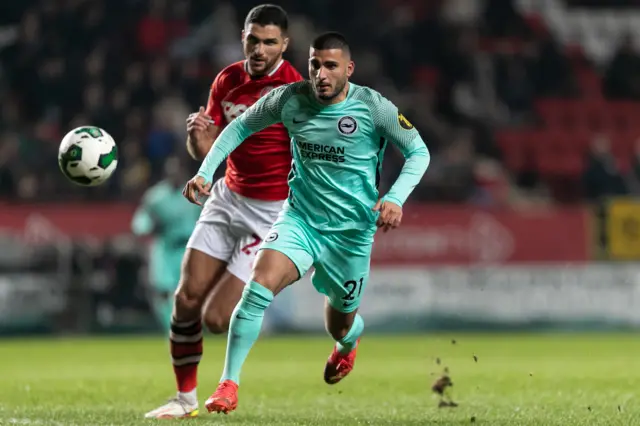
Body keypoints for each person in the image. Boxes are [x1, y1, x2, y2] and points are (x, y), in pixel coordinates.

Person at [183, 32, 431, 414]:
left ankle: (348, 343)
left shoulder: (373, 107)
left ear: (348, 69)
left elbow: (418, 152)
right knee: (257, 287)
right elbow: (238, 128)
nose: (321, 74)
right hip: (300, 219)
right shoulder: (289, 99)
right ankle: (227, 385)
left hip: (350, 234)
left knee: (340, 324)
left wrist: (395, 198)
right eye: (315, 64)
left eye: (331, 66)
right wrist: (205, 171)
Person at [144, 4, 303, 419]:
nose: (260, 48)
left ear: (284, 45)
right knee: (185, 298)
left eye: (270, 41)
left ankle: (270, 285)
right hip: (226, 197)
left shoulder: (295, 92)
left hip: (267, 213)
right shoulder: (227, 79)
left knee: (217, 319)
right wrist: (197, 139)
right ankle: (184, 399)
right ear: (243, 38)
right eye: (254, 39)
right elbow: (208, 149)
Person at [131, 156, 201, 333]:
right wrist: (149, 225)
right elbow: (141, 222)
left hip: (188, 247)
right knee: (162, 292)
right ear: (166, 173)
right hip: (164, 247)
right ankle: (171, 327)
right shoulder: (155, 197)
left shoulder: (195, 193)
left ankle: (186, 325)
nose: (175, 174)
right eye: (171, 171)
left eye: (178, 170)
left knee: (188, 293)